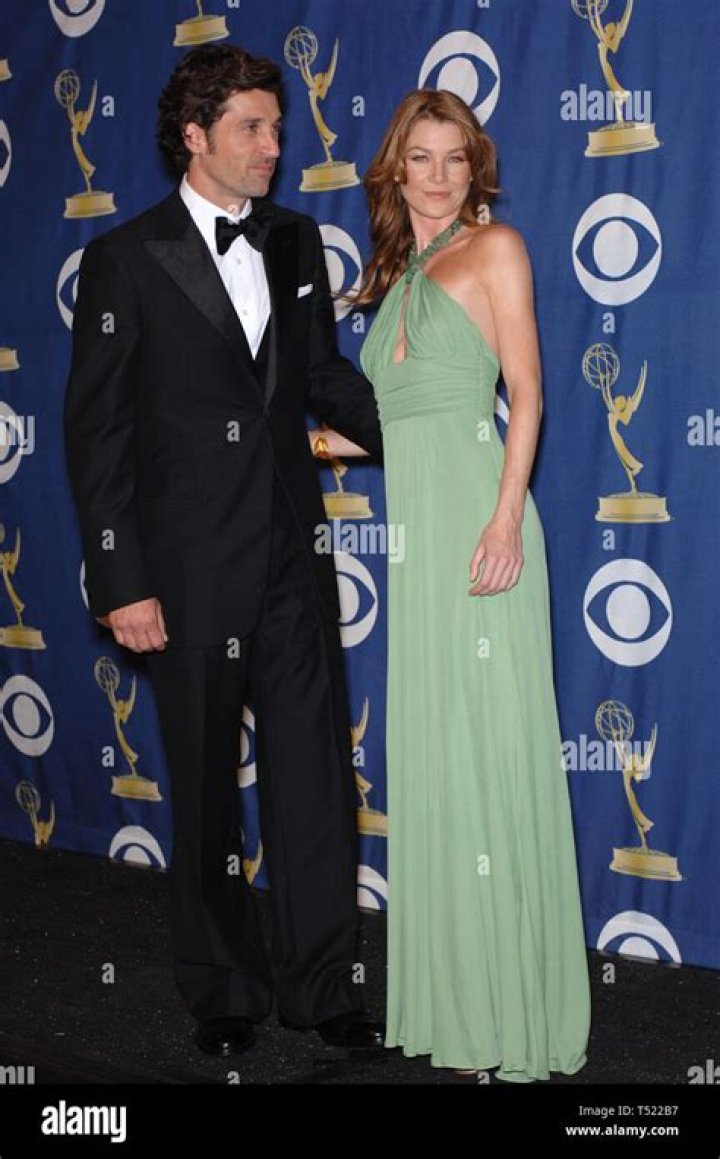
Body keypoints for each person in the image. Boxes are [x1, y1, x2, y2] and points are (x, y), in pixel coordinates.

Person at [63, 44, 385, 1058]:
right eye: (251, 127)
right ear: (193, 135)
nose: (273, 146)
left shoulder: (294, 240)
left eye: (277, 127)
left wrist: (425, 427)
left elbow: (322, 378)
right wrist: (122, 578)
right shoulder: (126, 258)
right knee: (206, 789)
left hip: (292, 559)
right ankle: (225, 992)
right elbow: (98, 434)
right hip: (186, 570)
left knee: (315, 783)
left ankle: (324, 986)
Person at [312, 89, 591, 1081]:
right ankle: (457, 1005)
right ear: (395, 168)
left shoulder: (495, 249)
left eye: (455, 158)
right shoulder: (393, 279)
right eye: (419, 158)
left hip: (481, 529)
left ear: (477, 170)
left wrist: (506, 519)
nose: (436, 176)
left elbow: (529, 392)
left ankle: (513, 1013)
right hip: (419, 546)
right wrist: (292, 443)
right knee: (439, 757)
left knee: (491, 750)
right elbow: (398, 425)